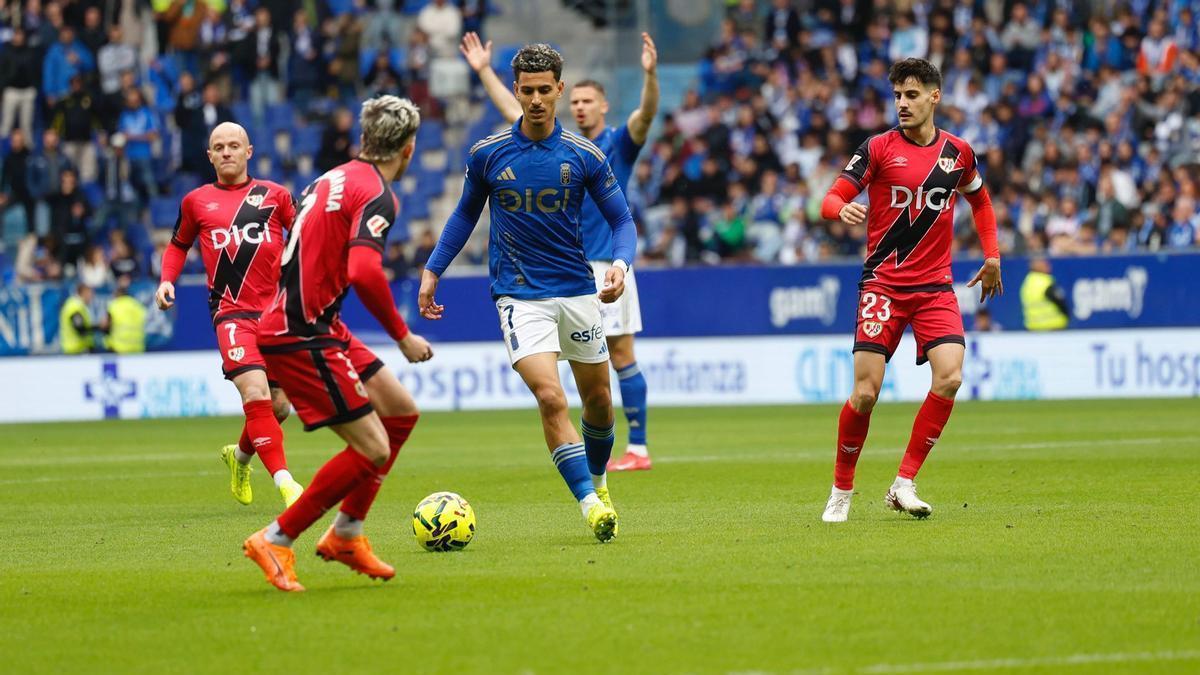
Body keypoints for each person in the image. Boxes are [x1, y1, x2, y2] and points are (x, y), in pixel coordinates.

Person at [419, 44, 638, 542]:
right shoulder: (488, 154)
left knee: (600, 403)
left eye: (545, 90)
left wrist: (621, 265)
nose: (536, 99)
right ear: (515, 90)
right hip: (519, 295)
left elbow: (622, 220)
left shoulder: (585, 156)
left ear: (559, 90)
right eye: (527, 90)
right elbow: (464, 215)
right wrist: (434, 268)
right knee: (549, 395)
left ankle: (599, 482)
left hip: (578, 292)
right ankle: (588, 504)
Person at [244, 96, 434, 592]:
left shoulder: (332, 177)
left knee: (400, 412)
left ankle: (347, 533)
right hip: (301, 330)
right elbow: (365, 270)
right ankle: (276, 537)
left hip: (313, 321)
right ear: (409, 149)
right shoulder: (378, 193)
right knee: (373, 447)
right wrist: (402, 335)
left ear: (364, 138)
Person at [460, 31, 659, 472]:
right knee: (571, 380)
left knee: (620, 355)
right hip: (560, 268)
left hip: (608, 263)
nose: (583, 106)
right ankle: (598, 455)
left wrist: (650, 75)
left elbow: (646, 114)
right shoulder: (550, 140)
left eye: (591, 100)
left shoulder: (613, 145)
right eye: (580, 101)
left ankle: (639, 447)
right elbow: (515, 109)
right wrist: (483, 71)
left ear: (602, 106)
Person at [817, 58, 1003, 523]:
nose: (903, 103)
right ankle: (841, 490)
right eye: (898, 95)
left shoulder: (958, 153)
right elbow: (830, 198)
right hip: (882, 285)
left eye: (912, 94)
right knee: (865, 392)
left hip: (935, 287)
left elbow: (980, 200)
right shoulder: (878, 148)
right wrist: (840, 209)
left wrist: (992, 254)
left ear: (934, 97)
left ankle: (903, 482)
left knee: (951, 377)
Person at [155, 122, 304, 508]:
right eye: (218, 147)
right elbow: (176, 247)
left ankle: (238, 459)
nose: (226, 152)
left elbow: (305, 235)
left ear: (248, 151)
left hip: (275, 315)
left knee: (280, 406)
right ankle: (287, 484)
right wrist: (166, 281)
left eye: (233, 145)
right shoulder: (196, 202)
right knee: (254, 393)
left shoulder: (275, 196)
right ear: (209, 155)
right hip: (231, 313)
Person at [1020, 257, 1069, 330]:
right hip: (1053, 326)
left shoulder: (1027, 282)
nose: (1049, 266)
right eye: (1045, 264)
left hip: (1033, 327)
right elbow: (1060, 302)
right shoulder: (1045, 282)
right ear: (1037, 266)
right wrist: (1067, 316)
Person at [105, 280, 147, 354]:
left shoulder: (114, 305)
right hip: (137, 349)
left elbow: (105, 325)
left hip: (119, 349)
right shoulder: (137, 305)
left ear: (117, 294)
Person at [59, 283, 100, 354]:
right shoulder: (74, 307)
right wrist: (99, 327)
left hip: (77, 350)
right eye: (90, 293)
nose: (92, 297)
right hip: (76, 351)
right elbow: (80, 329)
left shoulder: (78, 305)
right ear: (84, 292)